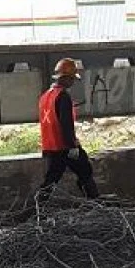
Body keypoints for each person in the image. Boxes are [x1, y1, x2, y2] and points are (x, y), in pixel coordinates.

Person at [37, 57, 99, 199]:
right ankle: (94, 203)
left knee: (50, 180)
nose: (72, 82)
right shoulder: (63, 96)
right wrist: (72, 146)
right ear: (64, 78)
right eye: (71, 78)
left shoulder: (46, 96)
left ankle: (39, 209)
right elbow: (66, 124)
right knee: (85, 171)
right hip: (64, 146)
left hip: (50, 147)